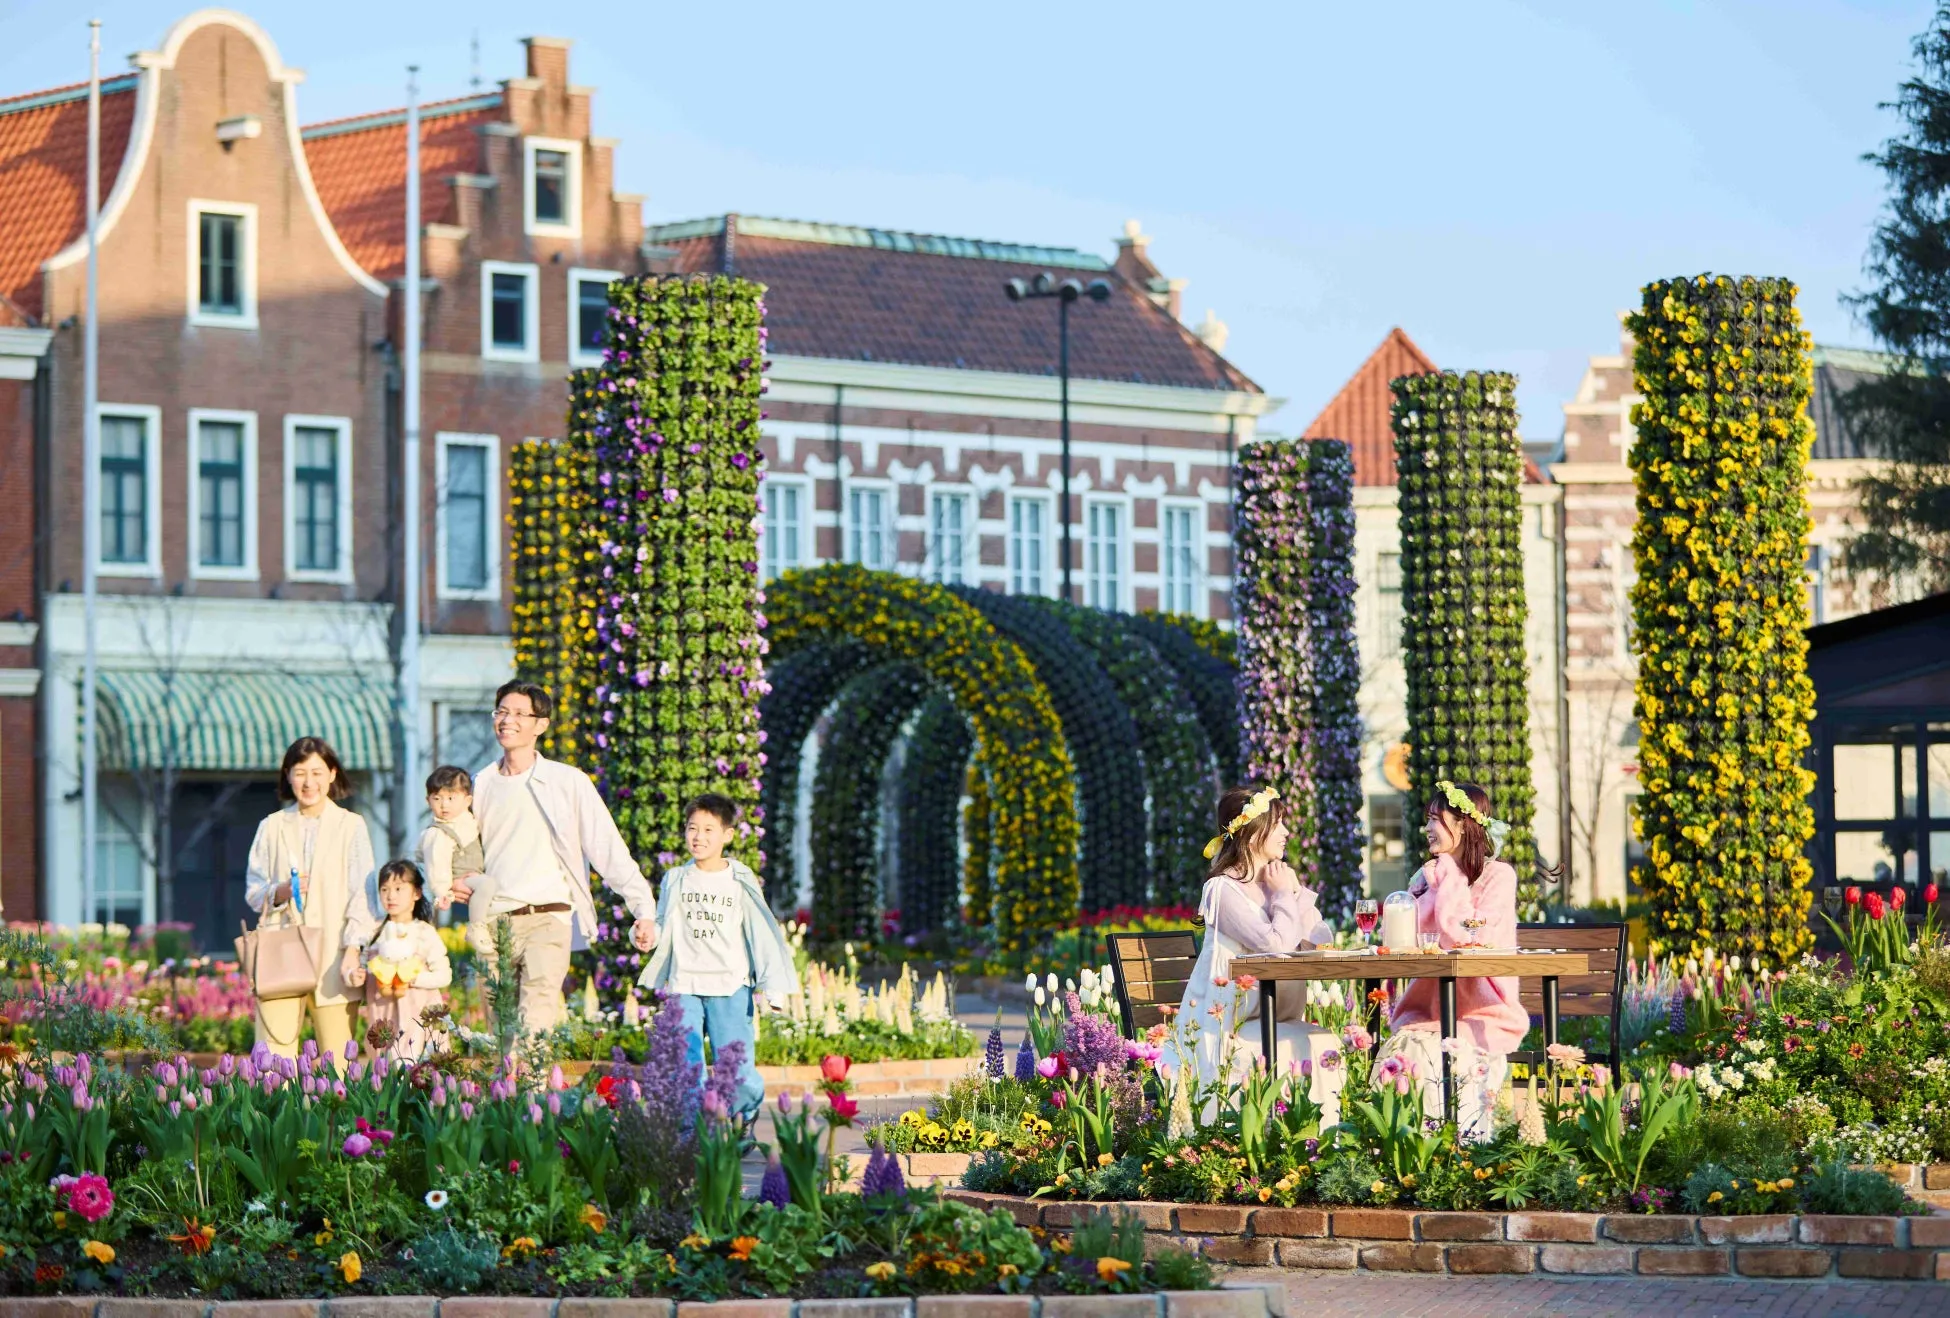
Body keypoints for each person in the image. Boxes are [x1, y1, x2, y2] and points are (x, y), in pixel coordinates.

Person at [453, 680, 657, 1033]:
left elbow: (607, 848)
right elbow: (462, 845)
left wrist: (644, 910)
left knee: (535, 1023)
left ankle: (529, 1088)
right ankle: (518, 1090)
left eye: (519, 713)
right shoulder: (480, 783)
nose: (507, 720)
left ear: (541, 725)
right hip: (495, 922)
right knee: (501, 1031)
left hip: (549, 918)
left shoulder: (568, 782)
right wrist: (455, 879)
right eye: (501, 712)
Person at [1169, 785, 1344, 1125]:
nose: (1287, 833)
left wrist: (1292, 892)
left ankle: (1315, 1143)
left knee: (1325, 1040)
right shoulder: (1222, 890)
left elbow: (1321, 939)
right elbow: (1275, 946)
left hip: (1275, 1016)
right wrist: (1283, 898)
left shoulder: (1276, 881)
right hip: (1227, 1026)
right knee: (1311, 1042)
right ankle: (1266, 1143)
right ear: (1251, 834)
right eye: (1277, 824)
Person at [1381, 780, 1528, 1141]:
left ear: (1462, 824)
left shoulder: (1498, 877)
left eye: (1435, 819)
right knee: (1408, 1046)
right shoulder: (1429, 876)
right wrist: (1430, 884)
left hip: (1482, 1017)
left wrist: (1447, 877)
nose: (1427, 828)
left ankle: (1460, 1148)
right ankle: (1404, 1150)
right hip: (1430, 1013)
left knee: (1440, 1051)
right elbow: (1402, 939)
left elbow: (1464, 936)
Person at [639, 793, 799, 1119]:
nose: (698, 837)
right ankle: (690, 1132)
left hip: (731, 985)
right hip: (685, 984)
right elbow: (660, 925)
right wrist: (643, 934)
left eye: (709, 829)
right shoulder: (676, 879)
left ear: (727, 835)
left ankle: (741, 1125)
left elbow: (761, 934)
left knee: (735, 1067)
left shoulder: (739, 880)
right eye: (692, 828)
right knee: (685, 1064)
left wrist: (773, 987)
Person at [242, 736, 379, 1061]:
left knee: (339, 1063)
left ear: (332, 774)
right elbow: (253, 890)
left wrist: (353, 949)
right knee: (273, 1062)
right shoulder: (271, 826)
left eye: (317, 772)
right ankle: (276, 1114)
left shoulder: (351, 825)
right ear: (287, 775)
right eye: (300, 772)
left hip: (335, 956)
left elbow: (364, 893)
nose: (309, 782)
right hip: (281, 952)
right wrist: (280, 891)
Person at [356, 859, 453, 1063]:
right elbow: (363, 969)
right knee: (388, 1078)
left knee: (420, 1075)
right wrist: (358, 975)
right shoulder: (374, 933)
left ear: (416, 893)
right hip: (384, 1021)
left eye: (399, 888)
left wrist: (412, 978)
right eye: (384, 889)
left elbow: (444, 975)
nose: (391, 896)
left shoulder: (424, 933)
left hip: (420, 1020)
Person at [417, 765, 484, 916]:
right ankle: (478, 927)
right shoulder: (437, 833)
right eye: (437, 798)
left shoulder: (470, 820)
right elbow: (436, 866)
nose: (444, 804)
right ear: (428, 801)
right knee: (487, 886)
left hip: (477, 877)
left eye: (451, 798)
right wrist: (442, 893)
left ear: (467, 801)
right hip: (461, 884)